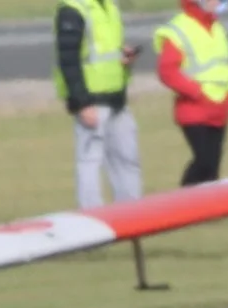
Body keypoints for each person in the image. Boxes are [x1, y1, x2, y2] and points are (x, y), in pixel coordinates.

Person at [58, 0, 143, 207]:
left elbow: (105, 51)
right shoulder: (73, 9)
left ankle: (132, 215)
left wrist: (124, 56)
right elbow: (69, 60)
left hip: (116, 99)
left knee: (127, 158)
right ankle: (92, 216)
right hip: (92, 100)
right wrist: (82, 103)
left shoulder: (110, 7)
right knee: (90, 162)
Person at [156, 0, 228, 186]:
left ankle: (207, 210)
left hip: (220, 107)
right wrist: (196, 92)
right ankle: (183, 203)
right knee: (203, 162)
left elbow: (222, 64)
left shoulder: (216, 26)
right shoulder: (180, 28)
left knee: (212, 168)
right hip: (194, 110)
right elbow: (167, 71)